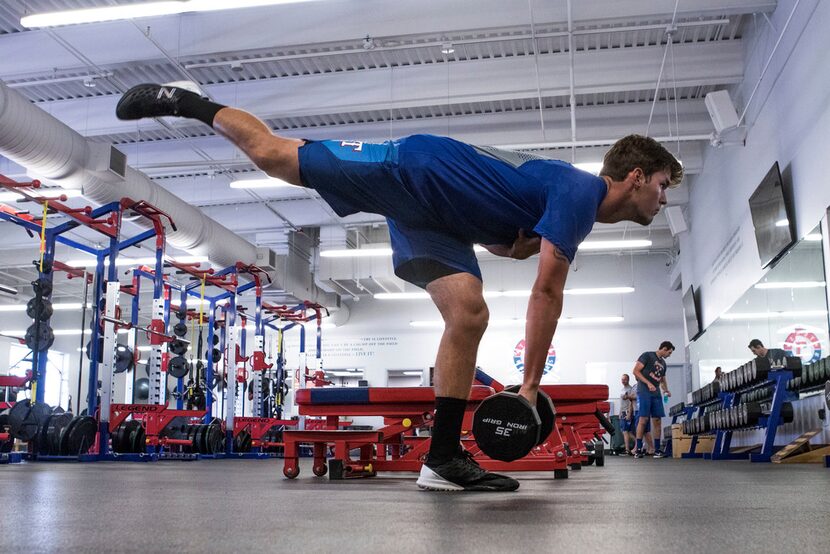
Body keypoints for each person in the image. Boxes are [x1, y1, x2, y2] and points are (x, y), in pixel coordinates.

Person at [115, 83, 683, 491]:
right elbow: (546, 294)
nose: (663, 198)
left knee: (469, 314)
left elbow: (507, 240)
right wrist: (530, 387)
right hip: (414, 169)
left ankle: (441, 461)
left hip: (438, 222)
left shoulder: (569, 203)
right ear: (634, 177)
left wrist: (512, 238)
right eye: (661, 185)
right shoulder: (581, 191)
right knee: (272, 157)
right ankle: (183, 100)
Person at [632, 341, 674, 459]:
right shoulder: (647, 355)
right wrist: (648, 383)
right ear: (664, 349)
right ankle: (638, 450)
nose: (669, 355)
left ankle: (656, 450)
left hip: (656, 393)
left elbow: (662, 380)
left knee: (657, 420)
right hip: (644, 390)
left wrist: (666, 390)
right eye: (669, 352)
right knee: (643, 419)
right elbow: (635, 371)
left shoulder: (663, 364)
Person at [618, 373, 637, 455]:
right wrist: (619, 412)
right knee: (626, 431)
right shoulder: (622, 389)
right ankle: (638, 444)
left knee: (625, 431)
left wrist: (629, 413)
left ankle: (627, 450)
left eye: (624, 379)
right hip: (622, 412)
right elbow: (622, 402)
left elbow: (631, 402)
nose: (623, 381)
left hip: (627, 412)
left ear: (628, 380)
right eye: (622, 379)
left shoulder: (630, 389)